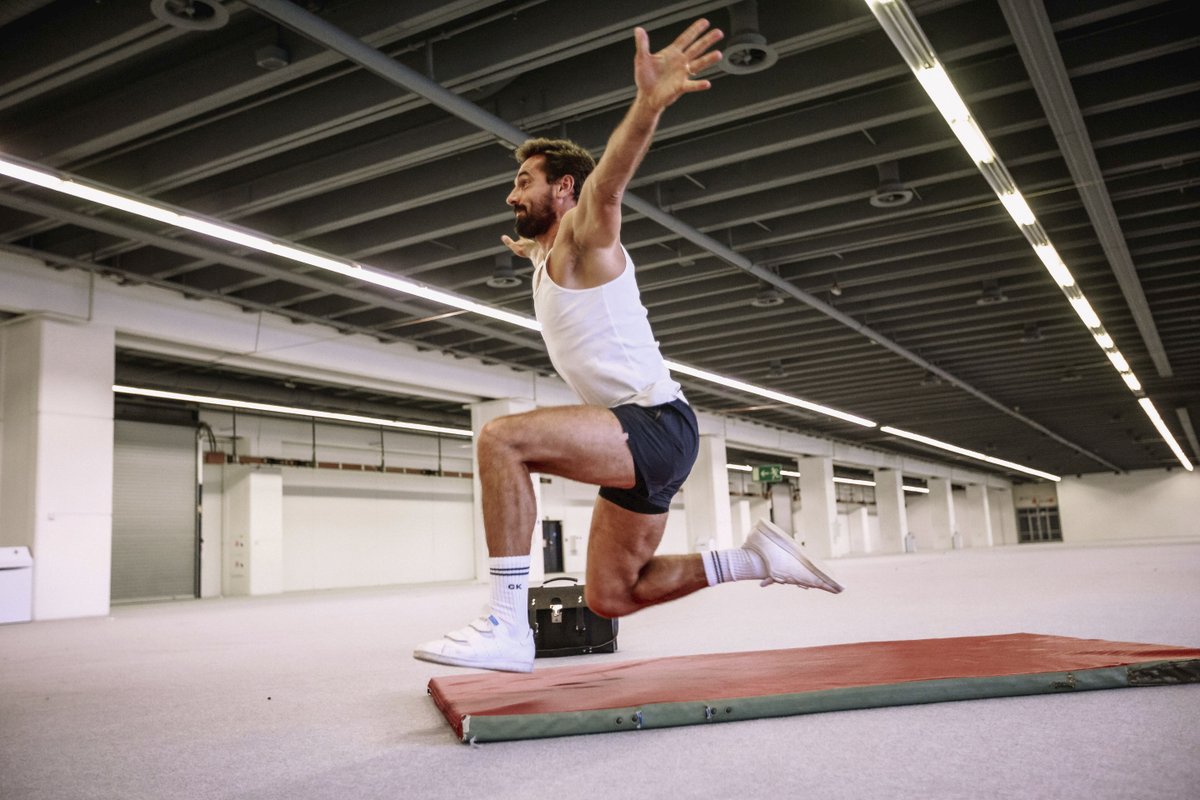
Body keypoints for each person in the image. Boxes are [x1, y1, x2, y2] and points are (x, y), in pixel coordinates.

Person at [414, 19, 842, 674]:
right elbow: (547, 246)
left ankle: (505, 622)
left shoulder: (588, 234)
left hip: (653, 426)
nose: (511, 192)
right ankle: (753, 559)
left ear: (563, 189)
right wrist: (532, 246)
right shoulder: (553, 249)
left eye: (525, 180)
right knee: (611, 596)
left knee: (500, 439)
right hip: (655, 439)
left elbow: (607, 185)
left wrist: (647, 104)